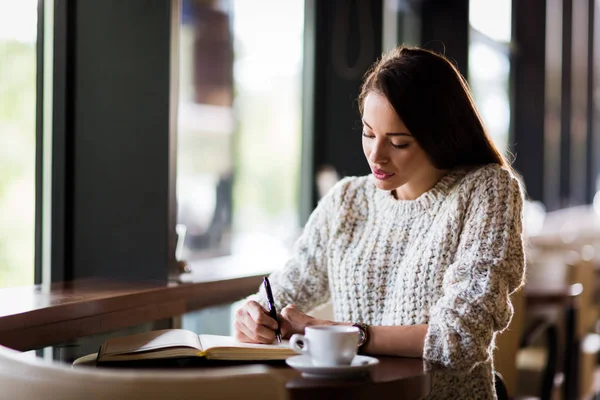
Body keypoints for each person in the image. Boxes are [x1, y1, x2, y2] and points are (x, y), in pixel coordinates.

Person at [233, 45, 525, 399]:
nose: (376, 155)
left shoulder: (487, 190)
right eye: (369, 133)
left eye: (398, 142)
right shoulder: (347, 200)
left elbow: (460, 338)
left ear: (441, 136)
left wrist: (343, 334)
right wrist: (254, 316)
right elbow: (282, 293)